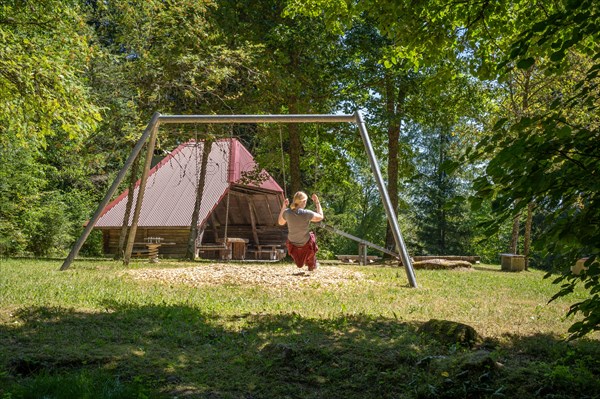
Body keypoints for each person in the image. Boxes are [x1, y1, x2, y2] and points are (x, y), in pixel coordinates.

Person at [278, 191, 324, 271]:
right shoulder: (306, 213)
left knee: (300, 264)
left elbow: (280, 222)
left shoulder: (287, 212)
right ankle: (311, 263)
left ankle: (311, 263)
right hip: (305, 243)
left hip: (292, 244)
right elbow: (320, 216)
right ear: (303, 201)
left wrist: (284, 207)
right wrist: (317, 202)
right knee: (311, 236)